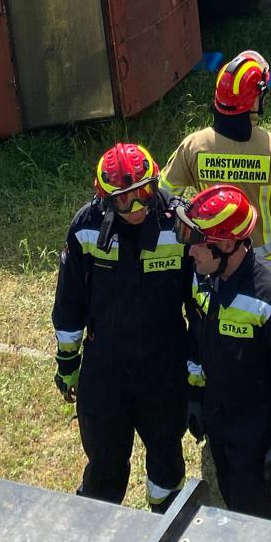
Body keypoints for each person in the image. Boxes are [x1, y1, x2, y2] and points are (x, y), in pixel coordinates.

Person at [52, 142, 190, 513]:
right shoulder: (86, 227)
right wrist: (68, 363)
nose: (138, 207)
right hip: (105, 369)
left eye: (145, 193)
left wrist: (199, 372)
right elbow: (69, 301)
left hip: (164, 365)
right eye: (124, 200)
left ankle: (165, 526)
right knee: (105, 461)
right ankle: (96, 531)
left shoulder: (180, 225)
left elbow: (198, 303)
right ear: (104, 199)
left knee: (166, 456)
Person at [182, 183, 271, 522]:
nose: (190, 253)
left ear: (227, 244)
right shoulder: (205, 277)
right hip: (220, 419)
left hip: (259, 435)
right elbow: (198, 337)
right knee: (232, 500)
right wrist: (196, 396)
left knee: (258, 523)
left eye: (198, 243)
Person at [160, 51, 271, 271]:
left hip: (215, 265)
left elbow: (163, 197)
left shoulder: (194, 146)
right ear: (253, 100)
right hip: (270, 269)